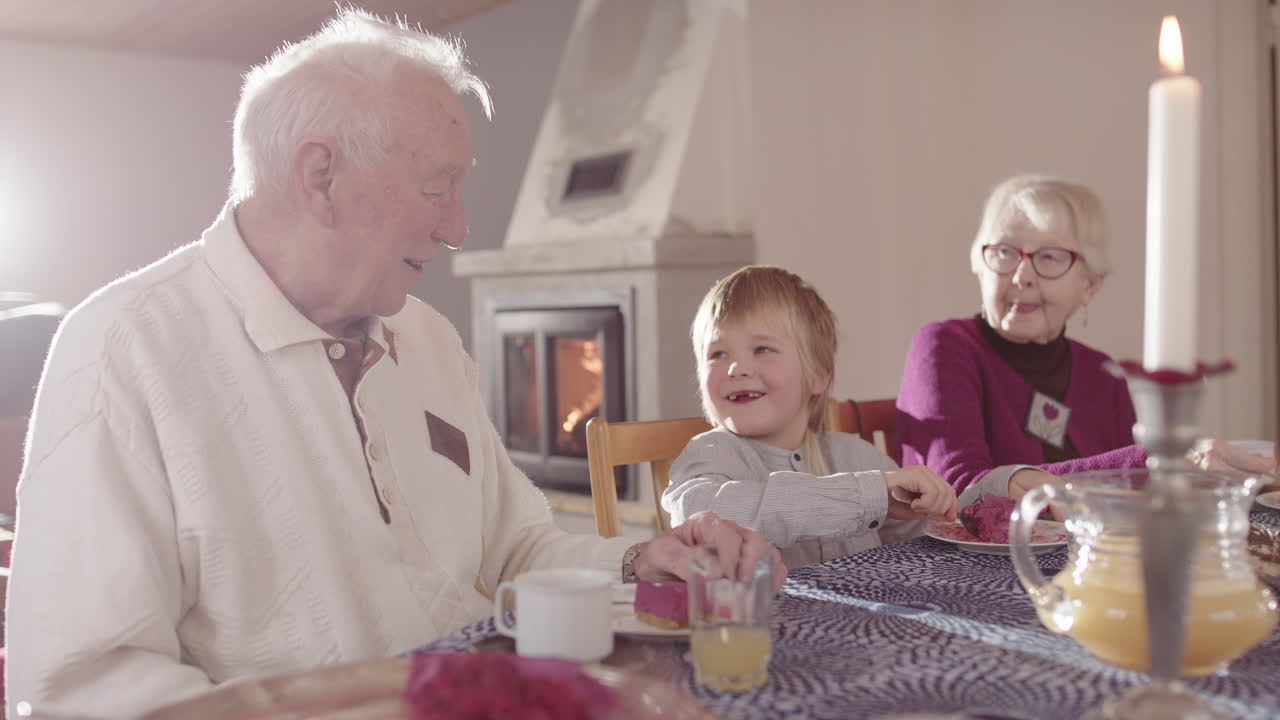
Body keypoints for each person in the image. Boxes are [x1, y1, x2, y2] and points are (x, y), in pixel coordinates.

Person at [4, 9, 781, 719]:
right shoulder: (123, 346)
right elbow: (82, 688)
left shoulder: (429, 341)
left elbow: (519, 548)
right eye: (437, 186)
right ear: (321, 178)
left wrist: (649, 557)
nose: (457, 227)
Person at [896, 175, 1275, 508]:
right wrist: (1155, 459)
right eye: (1005, 253)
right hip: (972, 575)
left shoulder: (1100, 373)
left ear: (1090, 285)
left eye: (1049, 257)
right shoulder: (944, 346)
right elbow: (959, 490)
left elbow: (1128, 497)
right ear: (979, 264)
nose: (1022, 275)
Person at [662, 266, 957, 570]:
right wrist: (867, 494)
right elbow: (700, 518)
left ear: (817, 376)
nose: (736, 368)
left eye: (762, 349)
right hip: (757, 616)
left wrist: (934, 505)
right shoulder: (709, 455)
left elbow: (921, 544)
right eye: (717, 354)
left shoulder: (857, 457)